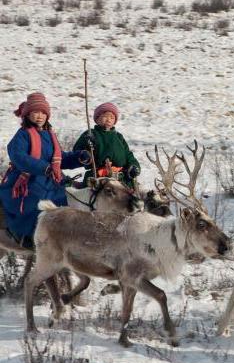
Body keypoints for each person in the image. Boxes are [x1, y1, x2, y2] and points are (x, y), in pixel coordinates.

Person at [0, 92, 91, 248]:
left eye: (43, 112)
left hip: (50, 180)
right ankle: (27, 236)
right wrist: (44, 168)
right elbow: (19, 157)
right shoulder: (22, 135)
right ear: (27, 114)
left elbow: (58, 157)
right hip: (27, 180)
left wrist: (79, 157)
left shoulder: (49, 135)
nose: (40, 116)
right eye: (35, 112)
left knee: (65, 201)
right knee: (36, 201)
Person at [73, 102, 141, 188]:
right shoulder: (90, 134)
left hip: (121, 179)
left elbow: (128, 154)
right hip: (97, 178)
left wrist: (133, 166)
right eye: (105, 116)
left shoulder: (118, 137)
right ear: (97, 119)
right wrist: (86, 147)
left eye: (112, 118)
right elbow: (77, 152)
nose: (108, 120)